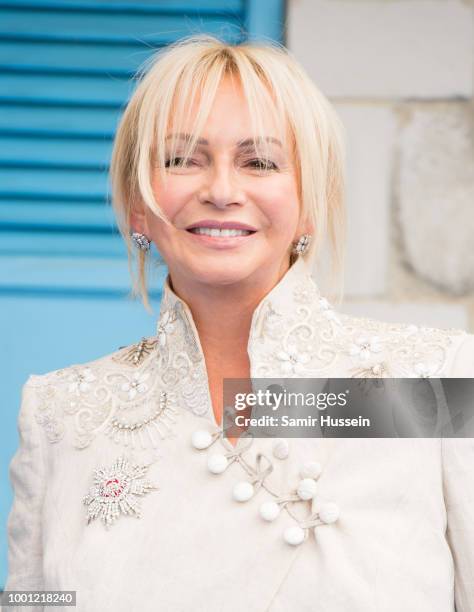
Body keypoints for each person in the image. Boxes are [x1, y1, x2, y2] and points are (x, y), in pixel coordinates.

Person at [4, 34, 474, 612]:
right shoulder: (59, 413)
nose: (221, 191)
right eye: (182, 158)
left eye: (260, 162)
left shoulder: (434, 381)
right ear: (136, 201)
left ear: (309, 199)